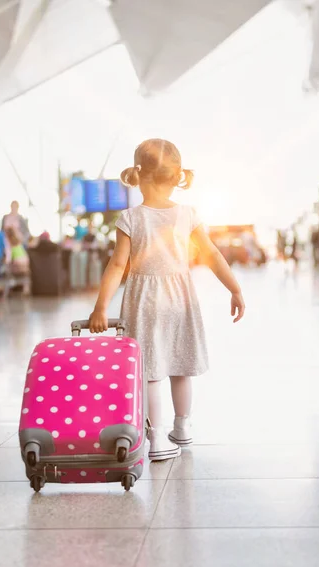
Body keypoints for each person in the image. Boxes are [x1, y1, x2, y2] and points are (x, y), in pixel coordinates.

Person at [89, 139, 245, 461]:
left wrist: (100, 307)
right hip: (180, 298)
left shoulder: (130, 217)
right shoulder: (187, 214)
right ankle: (182, 427)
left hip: (144, 300)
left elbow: (118, 265)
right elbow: (212, 254)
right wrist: (235, 288)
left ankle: (156, 439)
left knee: (150, 371)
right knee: (180, 365)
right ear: (176, 177)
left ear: (138, 175)